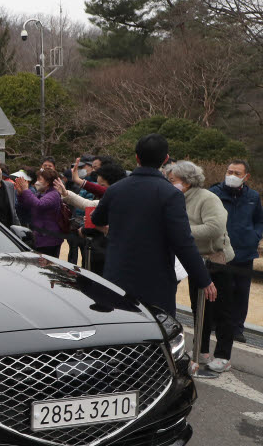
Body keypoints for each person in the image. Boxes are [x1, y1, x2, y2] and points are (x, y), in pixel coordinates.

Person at [91, 134, 215, 316]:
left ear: (136, 157)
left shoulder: (116, 189)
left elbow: (97, 219)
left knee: (120, 331)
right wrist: (203, 279)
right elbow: (183, 242)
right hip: (155, 279)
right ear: (165, 159)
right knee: (154, 335)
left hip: (117, 274)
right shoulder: (170, 194)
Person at [166, 161, 236, 372]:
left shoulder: (207, 198)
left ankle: (223, 355)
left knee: (222, 309)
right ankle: (201, 349)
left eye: (172, 181)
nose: (169, 184)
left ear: (186, 182)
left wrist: (181, 230)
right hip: (194, 259)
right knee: (199, 307)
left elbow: (215, 228)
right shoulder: (175, 198)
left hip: (217, 259)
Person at [209, 159, 263, 343]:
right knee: (219, 289)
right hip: (220, 252)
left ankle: (237, 328)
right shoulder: (214, 193)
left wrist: (255, 235)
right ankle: (215, 324)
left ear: (246, 177)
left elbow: (259, 220)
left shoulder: (253, 197)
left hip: (245, 252)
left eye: (237, 173)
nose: (231, 176)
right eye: (229, 171)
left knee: (241, 291)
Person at [14, 168, 63, 256]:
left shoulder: (54, 194)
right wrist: (20, 194)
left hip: (49, 240)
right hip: (40, 238)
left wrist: (26, 190)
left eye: (40, 179)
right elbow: (27, 206)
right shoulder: (41, 193)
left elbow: (39, 205)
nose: (37, 182)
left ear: (47, 182)